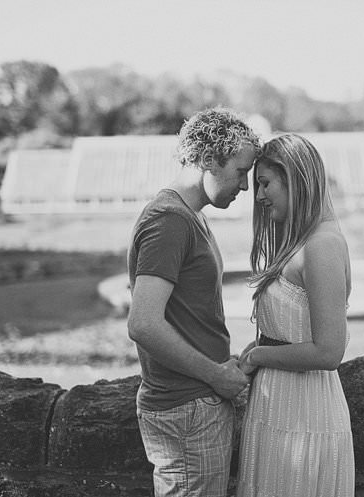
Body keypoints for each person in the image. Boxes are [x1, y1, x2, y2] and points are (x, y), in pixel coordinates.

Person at [127, 107, 261, 497]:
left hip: (196, 405)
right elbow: (143, 323)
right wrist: (215, 375)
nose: (247, 186)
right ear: (206, 160)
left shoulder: (190, 216)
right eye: (241, 172)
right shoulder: (169, 220)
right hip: (185, 411)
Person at [236, 133, 355, 497]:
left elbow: (329, 351)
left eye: (265, 183)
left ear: (295, 179)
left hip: (305, 420)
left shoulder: (321, 246)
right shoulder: (302, 241)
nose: (258, 196)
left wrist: (257, 356)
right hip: (278, 415)